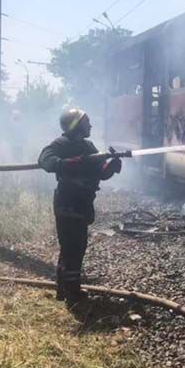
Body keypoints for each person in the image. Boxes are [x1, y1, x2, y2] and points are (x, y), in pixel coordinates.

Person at [38, 108, 122, 306]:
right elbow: (45, 161)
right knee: (72, 247)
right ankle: (72, 293)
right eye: (87, 122)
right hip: (67, 203)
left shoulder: (88, 145)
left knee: (74, 248)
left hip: (82, 203)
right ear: (76, 125)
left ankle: (64, 288)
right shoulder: (61, 144)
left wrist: (110, 166)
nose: (90, 126)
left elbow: (98, 171)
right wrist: (72, 163)